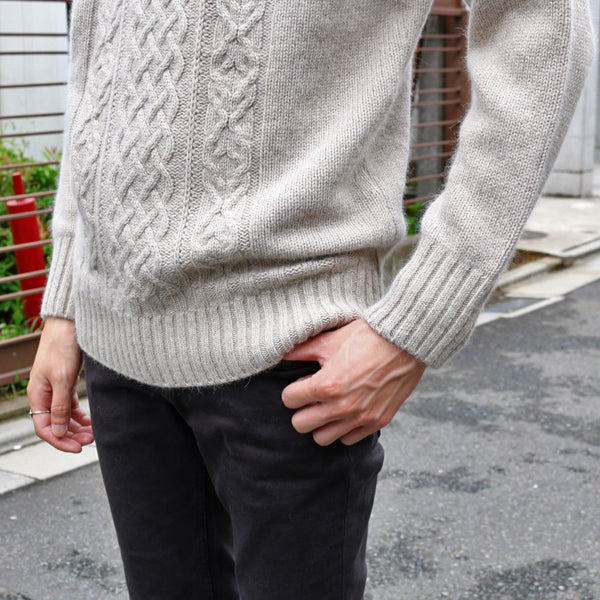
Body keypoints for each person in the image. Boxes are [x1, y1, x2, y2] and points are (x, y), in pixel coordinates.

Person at [27, 0, 594, 598]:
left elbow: (543, 23)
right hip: (116, 345)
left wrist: (416, 323)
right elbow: (93, 77)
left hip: (289, 358)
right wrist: (65, 305)